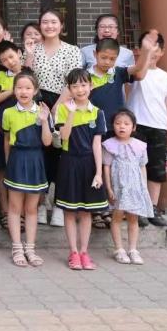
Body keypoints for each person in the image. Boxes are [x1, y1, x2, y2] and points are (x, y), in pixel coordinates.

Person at [24, 9, 82, 228]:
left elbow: (73, 81)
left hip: (63, 104)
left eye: (53, 22)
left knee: (61, 155)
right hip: (38, 106)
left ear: (61, 25)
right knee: (41, 155)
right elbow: (26, 78)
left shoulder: (72, 50)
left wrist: (57, 107)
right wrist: (29, 54)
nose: (49, 26)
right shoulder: (34, 49)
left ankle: (59, 205)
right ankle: (40, 204)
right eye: (45, 22)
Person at [55, 68, 109, 271]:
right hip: (69, 162)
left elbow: (97, 145)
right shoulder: (63, 109)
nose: (80, 89)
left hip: (89, 164)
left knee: (86, 212)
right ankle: (73, 252)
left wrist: (98, 173)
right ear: (69, 89)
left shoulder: (97, 112)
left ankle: (84, 252)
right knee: (70, 211)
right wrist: (71, 114)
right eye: (75, 86)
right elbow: (64, 137)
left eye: (83, 85)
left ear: (91, 86)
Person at [124, 31, 167, 228]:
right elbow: (138, 77)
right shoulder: (135, 73)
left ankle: (152, 208)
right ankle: (137, 208)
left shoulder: (166, 78)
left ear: (162, 52)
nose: (152, 52)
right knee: (135, 169)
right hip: (135, 127)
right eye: (148, 48)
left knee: (156, 170)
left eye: (156, 49)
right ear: (139, 50)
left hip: (159, 128)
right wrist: (145, 58)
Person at [2, 72, 53, 268]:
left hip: (35, 160)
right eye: (19, 87)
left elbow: (47, 142)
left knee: (31, 209)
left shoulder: (42, 111)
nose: (23, 92)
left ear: (35, 90)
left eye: (28, 88)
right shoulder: (8, 113)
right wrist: (8, 163)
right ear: (14, 90)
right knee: (14, 207)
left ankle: (30, 248)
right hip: (16, 160)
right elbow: (7, 140)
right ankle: (16, 247)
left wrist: (44, 120)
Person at [103, 109, 155, 265]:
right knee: (117, 217)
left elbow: (142, 166)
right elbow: (106, 167)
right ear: (113, 125)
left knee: (133, 218)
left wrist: (143, 187)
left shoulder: (140, 146)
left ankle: (133, 249)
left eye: (126, 124)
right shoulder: (109, 145)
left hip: (135, 188)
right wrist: (109, 188)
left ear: (134, 127)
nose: (122, 126)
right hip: (118, 187)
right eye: (118, 123)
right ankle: (119, 249)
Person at [0, 40, 24, 230]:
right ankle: (4, 211)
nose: (9, 61)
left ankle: (21, 214)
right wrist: (15, 87)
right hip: (1, 129)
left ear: (18, 53)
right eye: (4, 60)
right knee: (2, 169)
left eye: (11, 56)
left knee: (21, 170)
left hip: (25, 129)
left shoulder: (29, 73)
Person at [88, 35, 155, 128]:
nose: (107, 62)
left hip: (116, 126)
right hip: (93, 125)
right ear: (95, 54)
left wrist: (146, 51)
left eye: (112, 59)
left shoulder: (118, 72)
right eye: (103, 57)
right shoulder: (85, 76)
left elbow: (137, 68)